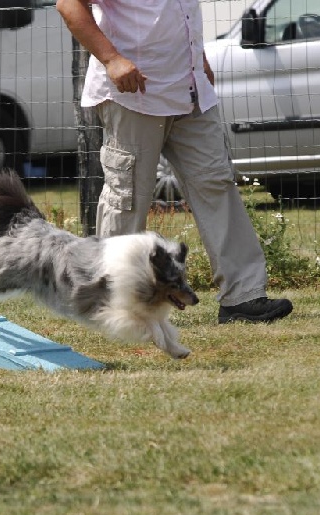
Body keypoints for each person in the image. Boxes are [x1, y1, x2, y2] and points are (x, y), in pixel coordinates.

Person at [56, 0, 293, 323]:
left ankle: (243, 297)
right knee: (127, 200)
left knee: (216, 184)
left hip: (190, 91)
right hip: (132, 95)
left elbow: (179, 15)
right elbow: (69, 5)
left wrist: (199, 61)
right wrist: (111, 59)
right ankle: (111, 301)